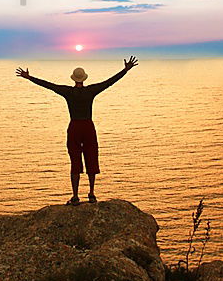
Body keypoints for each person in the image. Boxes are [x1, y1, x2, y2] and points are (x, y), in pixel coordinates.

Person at [15, 57, 138, 205]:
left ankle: (75, 196)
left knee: (75, 161)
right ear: (84, 78)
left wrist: (29, 77)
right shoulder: (90, 91)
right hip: (88, 127)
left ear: (74, 79)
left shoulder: (68, 92)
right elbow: (109, 82)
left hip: (74, 127)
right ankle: (91, 194)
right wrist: (125, 70)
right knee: (91, 158)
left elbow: (48, 85)